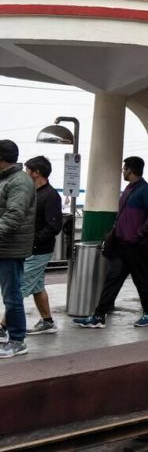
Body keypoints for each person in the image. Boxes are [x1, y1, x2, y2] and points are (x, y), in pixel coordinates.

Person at [74, 156, 148, 329]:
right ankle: (99, 316)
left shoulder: (146, 190)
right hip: (122, 244)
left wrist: (139, 233)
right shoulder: (129, 189)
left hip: (136, 246)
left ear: (131, 170)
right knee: (112, 279)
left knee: (141, 279)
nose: (122, 171)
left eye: (124, 169)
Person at [17, 157, 64, 335]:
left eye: (27, 170)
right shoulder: (34, 193)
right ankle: (47, 321)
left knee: (18, 290)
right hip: (31, 249)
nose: (25, 173)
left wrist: (32, 240)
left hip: (39, 251)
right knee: (37, 287)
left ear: (36, 173)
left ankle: (3, 326)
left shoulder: (51, 195)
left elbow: (54, 226)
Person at [0, 140, 36, 358]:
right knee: (9, 295)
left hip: (10, 249)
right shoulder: (6, 179)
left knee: (12, 296)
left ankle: (18, 340)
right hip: (3, 246)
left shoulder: (19, 181)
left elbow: (15, 214)